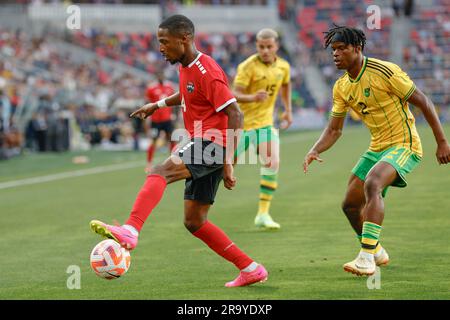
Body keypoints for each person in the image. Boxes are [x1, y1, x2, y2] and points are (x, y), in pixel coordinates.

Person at [90, 15, 268, 287]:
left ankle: (131, 229)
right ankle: (250, 268)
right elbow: (187, 93)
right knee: (194, 221)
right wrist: (158, 104)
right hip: (206, 143)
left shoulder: (207, 69)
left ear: (184, 39)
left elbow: (236, 113)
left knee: (161, 170)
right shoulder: (187, 66)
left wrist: (229, 161)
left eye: (164, 42)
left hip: (213, 143)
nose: (160, 47)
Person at [303, 26, 450, 276]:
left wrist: (442, 142)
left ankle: (366, 258)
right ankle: (377, 250)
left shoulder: (384, 71)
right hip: (377, 148)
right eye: (333, 50)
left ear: (357, 49)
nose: (335, 54)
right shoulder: (341, 87)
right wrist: (314, 149)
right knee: (350, 205)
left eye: (341, 49)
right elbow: (334, 130)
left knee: (373, 184)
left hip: (405, 144)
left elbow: (423, 101)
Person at [232, 28, 292, 230]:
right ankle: (199, 207)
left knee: (272, 162)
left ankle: (263, 213)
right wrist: (253, 97)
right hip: (242, 125)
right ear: (257, 46)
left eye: (269, 47)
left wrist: (288, 110)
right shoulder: (248, 66)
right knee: (225, 167)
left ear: (276, 46)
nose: (265, 50)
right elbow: (234, 94)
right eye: (261, 47)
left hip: (265, 123)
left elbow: (285, 85)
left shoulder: (283, 66)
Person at [145, 71, 177, 172]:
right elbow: (147, 103)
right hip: (155, 120)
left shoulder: (170, 87)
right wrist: (147, 116)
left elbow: (174, 101)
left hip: (167, 119)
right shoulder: (151, 88)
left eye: (162, 75)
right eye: (159, 75)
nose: (161, 77)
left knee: (171, 140)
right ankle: (149, 164)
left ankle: (173, 162)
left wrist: (174, 114)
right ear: (156, 76)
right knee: (153, 141)